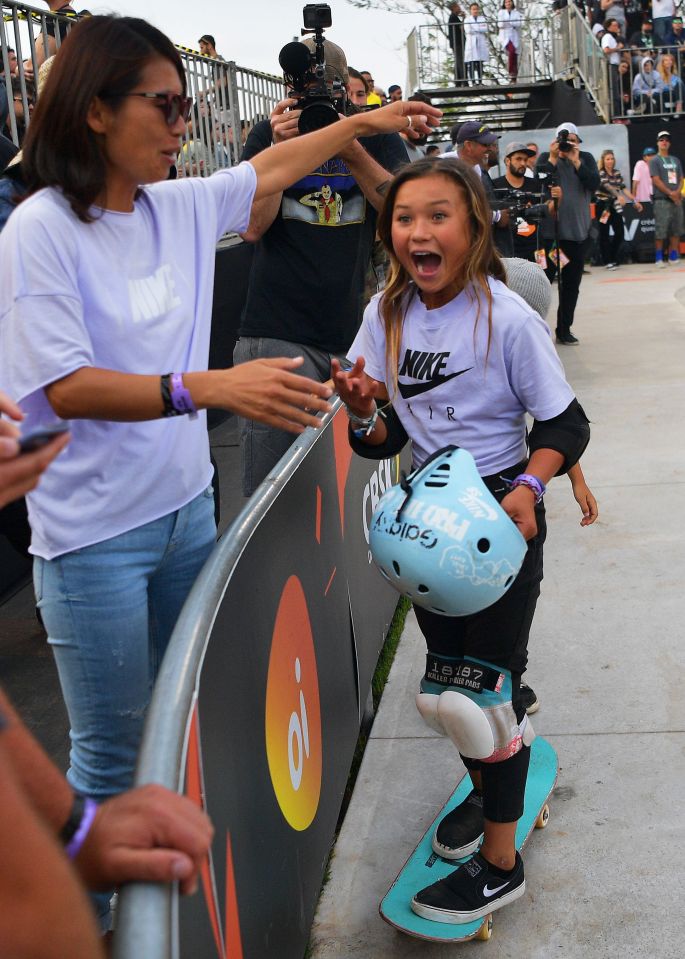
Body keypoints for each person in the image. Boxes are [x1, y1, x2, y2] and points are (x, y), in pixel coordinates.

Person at [0, 14, 439, 931]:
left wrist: (359, 122)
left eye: (185, 102)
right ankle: (96, 926)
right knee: (110, 763)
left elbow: (277, 166)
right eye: (162, 104)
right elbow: (67, 384)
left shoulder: (179, 204)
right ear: (92, 112)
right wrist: (205, 385)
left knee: (181, 726)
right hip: (93, 541)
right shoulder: (40, 229)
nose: (179, 121)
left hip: (182, 514)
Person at [331, 156, 590, 925]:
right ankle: (486, 791)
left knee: (481, 702)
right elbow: (382, 441)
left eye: (438, 215)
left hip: (497, 522)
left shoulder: (503, 316)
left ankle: (499, 865)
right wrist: (361, 410)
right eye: (405, 217)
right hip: (425, 524)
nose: (419, 231)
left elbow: (565, 424)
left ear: (473, 226)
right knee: (445, 690)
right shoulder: (385, 315)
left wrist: (531, 487)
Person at [234, 36, 426, 497]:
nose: (309, 100)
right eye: (300, 90)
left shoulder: (373, 136)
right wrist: (274, 157)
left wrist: (350, 144)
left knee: (359, 480)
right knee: (274, 493)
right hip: (277, 334)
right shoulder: (268, 136)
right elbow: (253, 228)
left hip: (355, 335)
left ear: (343, 88)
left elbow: (404, 212)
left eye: (322, 88)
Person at [535, 122, 600, 344]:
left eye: (572, 139)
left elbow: (594, 182)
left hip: (578, 235)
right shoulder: (546, 158)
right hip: (552, 237)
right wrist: (554, 157)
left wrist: (575, 159)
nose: (568, 143)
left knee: (571, 285)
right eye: (564, 139)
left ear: (579, 142)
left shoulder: (587, 158)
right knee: (542, 282)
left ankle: (564, 329)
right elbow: (539, 181)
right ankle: (534, 330)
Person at [444, 121, 514, 255]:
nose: (491, 149)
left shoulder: (476, 168)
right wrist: (497, 216)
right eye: (485, 144)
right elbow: (458, 209)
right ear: (468, 145)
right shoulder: (445, 166)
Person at [492, 142, 560, 262]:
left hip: (536, 247)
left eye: (525, 159)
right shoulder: (495, 186)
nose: (523, 163)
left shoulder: (536, 184)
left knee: (541, 279)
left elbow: (551, 212)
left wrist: (558, 199)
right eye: (518, 159)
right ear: (507, 161)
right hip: (508, 250)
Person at [596, 148, 643, 268]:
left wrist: (634, 201)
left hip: (615, 206)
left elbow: (623, 187)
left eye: (612, 158)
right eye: (607, 159)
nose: (610, 161)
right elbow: (607, 187)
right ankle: (607, 261)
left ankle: (612, 256)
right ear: (603, 160)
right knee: (604, 233)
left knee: (620, 232)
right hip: (603, 206)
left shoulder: (616, 173)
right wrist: (618, 196)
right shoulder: (601, 173)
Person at [650, 128, 683, 266]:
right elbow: (656, 180)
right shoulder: (655, 160)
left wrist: (677, 193)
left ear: (669, 143)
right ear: (657, 143)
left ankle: (673, 255)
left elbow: (681, 179)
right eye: (661, 140)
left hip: (677, 200)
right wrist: (670, 193)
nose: (664, 142)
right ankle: (658, 257)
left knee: (676, 228)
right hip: (662, 199)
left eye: (667, 140)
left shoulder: (675, 160)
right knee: (661, 230)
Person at [464, 2, 489, 84]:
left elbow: (485, 28)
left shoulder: (482, 19)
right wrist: (478, 28)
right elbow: (468, 30)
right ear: (470, 10)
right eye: (473, 9)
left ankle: (480, 81)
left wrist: (474, 28)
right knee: (471, 63)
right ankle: (473, 82)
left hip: (480, 42)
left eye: (476, 9)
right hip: (471, 43)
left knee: (480, 63)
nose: (475, 11)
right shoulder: (467, 19)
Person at [498, 0, 523, 81]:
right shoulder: (501, 12)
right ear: (504, 4)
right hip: (505, 36)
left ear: (512, 3)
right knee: (511, 51)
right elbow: (500, 24)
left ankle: (514, 77)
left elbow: (519, 23)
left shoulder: (516, 13)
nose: (508, 3)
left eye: (509, 1)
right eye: (506, 2)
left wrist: (509, 22)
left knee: (514, 55)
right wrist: (512, 22)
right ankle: (511, 72)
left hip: (514, 35)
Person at [448, 1, 466, 81]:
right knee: (461, 61)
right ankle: (464, 80)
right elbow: (462, 28)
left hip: (457, 43)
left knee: (458, 61)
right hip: (458, 43)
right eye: (458, 6)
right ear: (454, 8)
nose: (459, 8)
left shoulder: (454, 17)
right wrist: (464, 18)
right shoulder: (453, 17)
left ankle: (458, 81)